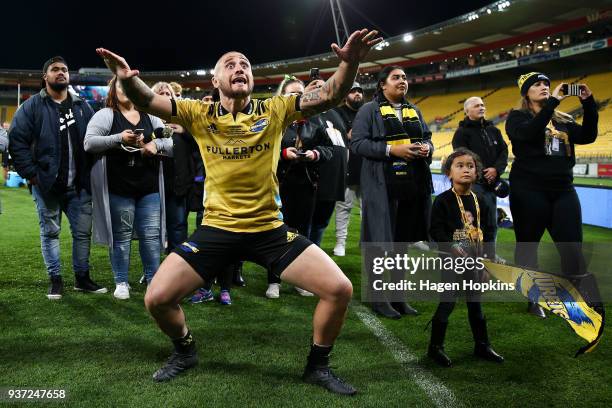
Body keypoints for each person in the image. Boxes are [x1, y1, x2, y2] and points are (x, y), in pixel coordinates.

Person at [97, 27, 381, 395]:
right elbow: (151, 101)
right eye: (229, 64)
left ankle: (318, 366)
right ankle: (185, 350)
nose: (239, 67)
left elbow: (330, 94)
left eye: (245, 64)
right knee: (157, 298)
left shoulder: (274, 108)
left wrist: (351, 64)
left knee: (339, 289)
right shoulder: (199, 113)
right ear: (216, 80)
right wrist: (126, 80)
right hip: (216, 229)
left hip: (269, 230)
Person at [9, 56, 106, 299]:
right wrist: (32, 175)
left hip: (79, 187)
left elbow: (93, 143)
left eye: (64, 70)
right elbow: (17, 142)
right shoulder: (31, 107)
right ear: (45, 76)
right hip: (47, 185)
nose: (61, 73)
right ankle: (55, 280)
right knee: (50, 233)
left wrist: (88, 174)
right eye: (55, 70)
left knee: (82, 234)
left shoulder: (83, 106)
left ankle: (82, 279)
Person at [505, 72, 599, 318]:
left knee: (572, 246)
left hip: (563, 190)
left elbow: (588, 136)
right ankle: (532, 298)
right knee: (528, 246)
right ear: (526, 92)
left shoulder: (562, 120)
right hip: (528, 190)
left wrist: (588, 103)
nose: (544, 87)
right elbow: (528, 134)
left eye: (546, 83)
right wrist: (552, 104)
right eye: (537, 84)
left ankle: (574, 298)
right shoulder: (517, 117)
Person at [351, 65, 433, 319]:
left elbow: (428, 136)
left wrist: (427, 147)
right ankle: (378, 298)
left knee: (401, 243)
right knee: (378, 241)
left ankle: (399, 296)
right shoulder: (368, 109)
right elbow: (358, 144)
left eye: (405, 77)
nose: (402, 81)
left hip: (411, 184)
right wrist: (391, 150)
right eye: (396, 77)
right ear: (382, 85)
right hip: (381, 183)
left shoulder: (414, 110)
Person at [84, 76, 171, 300]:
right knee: (121, 237)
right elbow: (89, 143)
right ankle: (121, 282)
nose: (124, 89)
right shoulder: (106, 115)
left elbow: (169, 143)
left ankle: (153, 280)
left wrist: (155, 144)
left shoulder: (151, 116)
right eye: (120, 85)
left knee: (151, 236)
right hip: (118, 186)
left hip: (149, 187)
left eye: (128, 86)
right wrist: (118, 138)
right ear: (113, 89)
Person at [428, 148, 504, 367]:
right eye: (459, 166)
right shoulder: (442, 201)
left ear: (477, 172)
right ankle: (435, 348)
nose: (466, 170)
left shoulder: (483, 201)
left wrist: (487, 265)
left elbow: (489, 234)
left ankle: (482, 345)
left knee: (475, 305)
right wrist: (451, 246)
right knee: (448, 302)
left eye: (470, 166)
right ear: (449, 173)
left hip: (476, 262)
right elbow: (436, 230)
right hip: (452, 262)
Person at [265, 75, 333, 299]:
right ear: (282, 96)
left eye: (299, 93)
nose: (296, 97)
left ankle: (299, 280)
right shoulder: (274, 120)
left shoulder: (315, 120)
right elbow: (262, 151)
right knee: (278, 234)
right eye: (292, 93)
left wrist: (315, 154)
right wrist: (283, 154)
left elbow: (329, 149)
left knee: (302, 235)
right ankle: (274, 280)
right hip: (278, 185)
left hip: (306, 185)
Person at [452, 96, 508, 244]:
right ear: (467, 111)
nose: (481, 107)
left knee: (491, 223)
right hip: (472, 185)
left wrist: (496, 170)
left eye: (482, 105)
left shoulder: (493, 130)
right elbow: (461, 159)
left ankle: (489, 257)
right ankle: (468, 257)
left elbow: (504, 151)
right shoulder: (461, 133)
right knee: (471, 223)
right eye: (476, 106)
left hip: (491, 184)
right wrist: (483, 172)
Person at [332, 82, 364, 256]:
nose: (357, 94)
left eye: (360, 91)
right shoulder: (337, 113)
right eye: (353, 91)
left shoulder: (367, 111)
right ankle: (340, 242)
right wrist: (348, 135)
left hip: (366, 167)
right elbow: (336, 137)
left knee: (369, 209)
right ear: (346, 95)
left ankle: (365, 241)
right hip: (346, 166)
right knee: (344, 207)